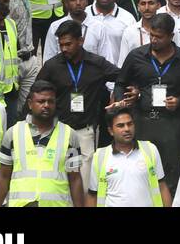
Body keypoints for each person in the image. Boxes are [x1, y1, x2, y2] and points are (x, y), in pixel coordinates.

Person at [113, 12, 180, 194]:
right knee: (141, 170)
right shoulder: (136, 56)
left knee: (171, 175)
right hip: (142, 121)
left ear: (171, 36)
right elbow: (121, 83)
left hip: (171, 124)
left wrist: (179, 101)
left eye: (159, 37)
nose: (154, 40)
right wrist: (125, 100)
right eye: (151, 35)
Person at [35, 17, 119, 174]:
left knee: (85, 178)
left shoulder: (96, 63)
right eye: (61, 45)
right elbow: (36, 91)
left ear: (80, 41)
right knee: (57, 174)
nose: (64, 49)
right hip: (58, 129)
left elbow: (121, 76)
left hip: (85, 131)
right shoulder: (52, 66)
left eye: (68, 44)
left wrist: (123, 94)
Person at [0, 81, 85, 207]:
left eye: (50, 101)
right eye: (41, 101)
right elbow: (3, 176)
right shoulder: (13, 133)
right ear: (30, 104)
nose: (46, 105)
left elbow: (75, 178)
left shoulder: (69, 135)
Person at [87, 107, 171, 207]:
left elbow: (162, 187)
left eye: (130, 124)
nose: (127, 129)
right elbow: (92, 195)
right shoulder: (99, 156)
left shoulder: (150, 149)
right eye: (120, 126)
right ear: (111, 131)